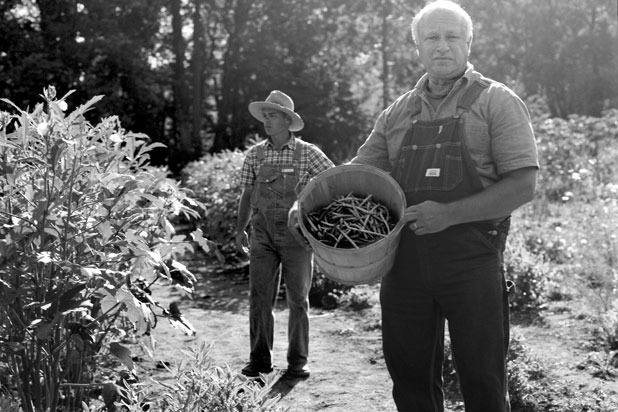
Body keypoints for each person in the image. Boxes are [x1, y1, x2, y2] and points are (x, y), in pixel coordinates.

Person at [349, 1, 539, 411]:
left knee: (483, 380)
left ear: (468, 43)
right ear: (417, 47)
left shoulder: (496, 102)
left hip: (472, 259)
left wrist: (449, 214)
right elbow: (359, 174)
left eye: (452, 36)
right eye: (431, 37)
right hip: (405, 264)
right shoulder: (398, 112)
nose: (442, 46)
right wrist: (308, 203)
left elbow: (523, 186)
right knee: (411, 380)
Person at [235, 90, 334, 379]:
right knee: (259, 298)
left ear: (287, 120)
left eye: (273, 115)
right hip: (262, 235)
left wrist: (317, 219)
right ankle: (259, 361)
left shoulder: (309, 153)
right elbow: (247, 193)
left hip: (296, 237)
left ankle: (297, 361)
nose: (267, 120)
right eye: (265, 115)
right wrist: (240, 228)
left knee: (298, 300)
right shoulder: (256, 154)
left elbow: (333, 181)